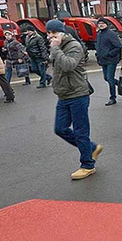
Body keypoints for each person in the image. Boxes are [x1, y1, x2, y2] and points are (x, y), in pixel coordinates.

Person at [46, 20, 100, 179]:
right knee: (60, 128)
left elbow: (68, 65)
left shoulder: (74, 46)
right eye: (48, 34)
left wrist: (55, 48)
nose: (50, 37)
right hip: (63, 94)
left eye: (53, 34)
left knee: (80, 132)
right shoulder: (59, 47)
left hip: (77, 94)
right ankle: (91, 148)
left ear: (62, 33)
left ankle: (87, 165)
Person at [94, 19, 122, 105]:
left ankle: (113, 98)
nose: (101, 25)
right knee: (106, 78)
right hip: (103, 60)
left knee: (110, 78)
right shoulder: (99, 34)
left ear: (106, 24)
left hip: (111, 60)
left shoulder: (111, 34)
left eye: (103, 23)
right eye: (99, 23)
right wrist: (98, 56)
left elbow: (118, 46)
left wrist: (110, 54)